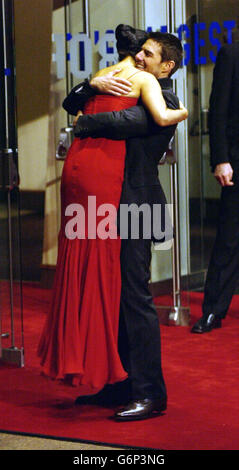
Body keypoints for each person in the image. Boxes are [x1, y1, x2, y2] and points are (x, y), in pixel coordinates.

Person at [38, 25, 187, 404]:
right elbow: (73, 100)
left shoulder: (165, 98)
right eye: (140, 52)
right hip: (113, 205)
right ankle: (119, 383)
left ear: (166, 66)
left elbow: (123, 121)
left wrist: (85, 119)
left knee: (135, 298)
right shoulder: (128, 87)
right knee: (114, 294)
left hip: (139, 206)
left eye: (148, 55)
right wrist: (92, 86)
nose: (138, 58)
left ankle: (150, 394)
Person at [191, 41, 239, 334]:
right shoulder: (232, 52)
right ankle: (213, 311)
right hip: (237, 160)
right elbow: (217, 111)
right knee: (229, 238)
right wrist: (220, 159)